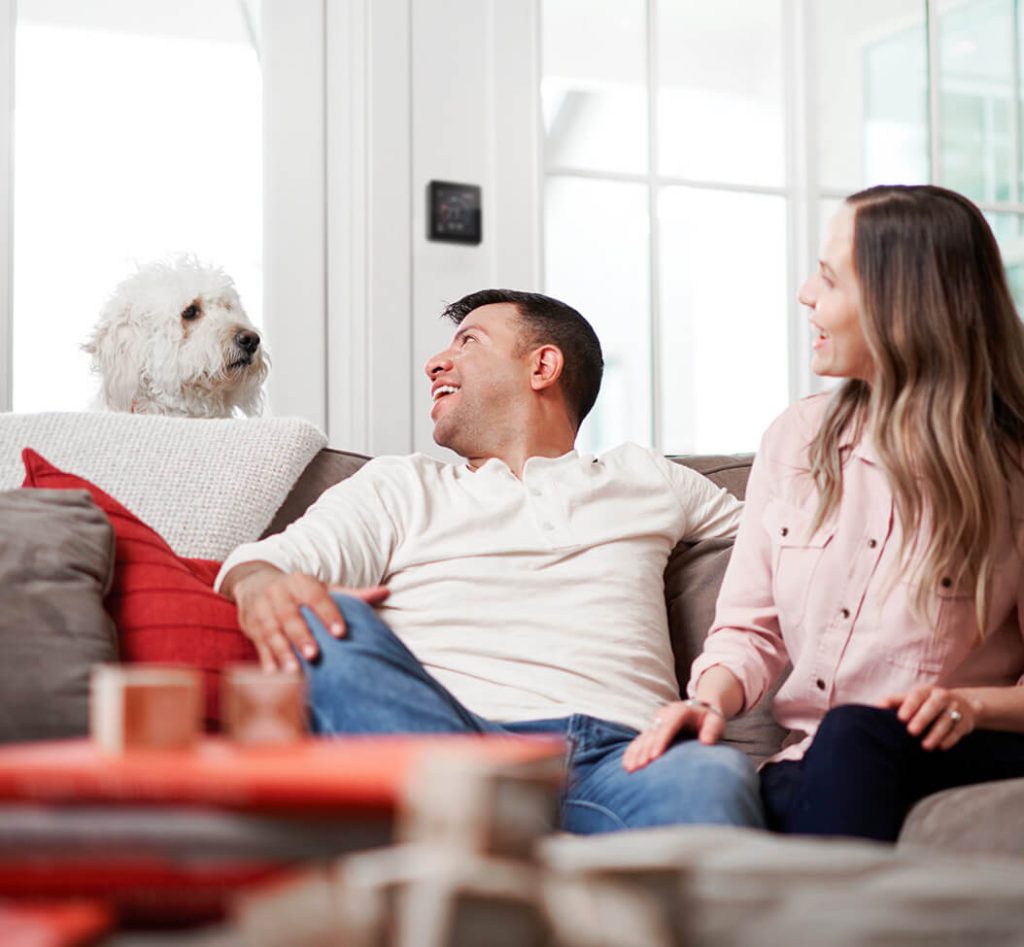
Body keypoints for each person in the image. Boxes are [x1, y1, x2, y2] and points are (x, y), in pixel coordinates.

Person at [215, 288, 765, 835]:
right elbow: (269, 566)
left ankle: (496, 855)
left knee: (710, 773)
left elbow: (792, 540)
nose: (434, 363)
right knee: (322, 618)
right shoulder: (400, 485)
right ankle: (497, 841)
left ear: (542, 366)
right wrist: (260, 584)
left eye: (468, 342)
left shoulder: (647, 476)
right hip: (454, 750)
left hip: (630, 759)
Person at [624, 184, 1024, 842]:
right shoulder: (796, 441)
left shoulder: (1010, 468)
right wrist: (706, 702)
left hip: (956, 747)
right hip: (815, 759)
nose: (806, 293)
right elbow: (748, 631)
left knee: (855, 731)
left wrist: (968, 703)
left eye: (830, 278)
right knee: (754, 790)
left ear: (905, 304)